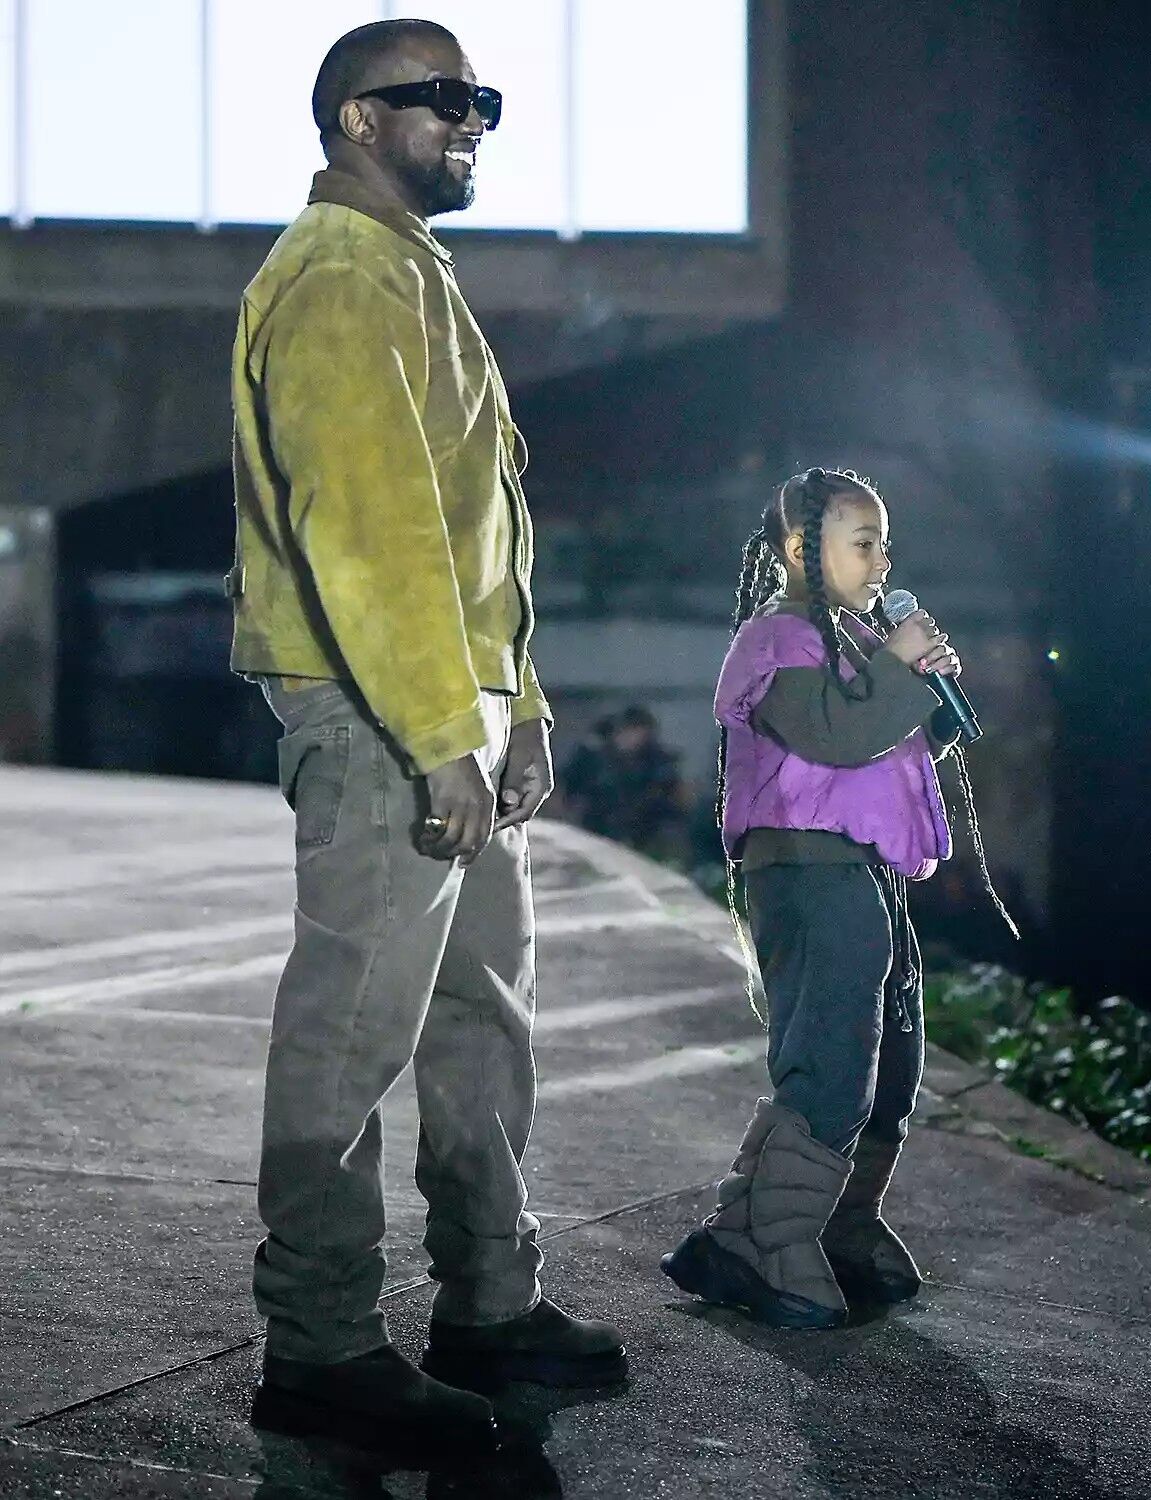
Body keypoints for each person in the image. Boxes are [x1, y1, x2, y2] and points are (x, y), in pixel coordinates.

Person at [227, 18, 625, 1450]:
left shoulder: (409, 270)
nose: (469, 119)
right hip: (378, 716)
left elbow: (474, 539)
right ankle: (322, 1346)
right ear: (351, 120)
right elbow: (372, 535)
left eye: (482, 99)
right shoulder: (337, 278)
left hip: (452, 714)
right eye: (436, 99)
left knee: (480, 1020)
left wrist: (520, 715)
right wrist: (444, 736)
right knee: (350, 1033)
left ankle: (489, 1305)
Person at [661, 466, 976, 1329]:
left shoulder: (851, 638)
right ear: (802, 548)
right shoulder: (777, 640)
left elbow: (879, 756)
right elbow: (834, 738)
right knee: (832, 1059)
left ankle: (832, 1226)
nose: (881, 560)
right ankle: (766, 1242)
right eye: (863, 541)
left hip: (868, 876)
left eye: (885, 543)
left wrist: (929, 705)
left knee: (893, 1065)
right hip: (808, 873)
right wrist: (901, 673)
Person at [561, 706, 689, 857]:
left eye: (638, 731)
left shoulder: (657, 763)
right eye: (628, 730)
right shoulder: (593, 759)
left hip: (645, 834)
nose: (632, 737)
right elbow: (568, 788)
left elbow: (675, 801)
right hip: (596, 831)